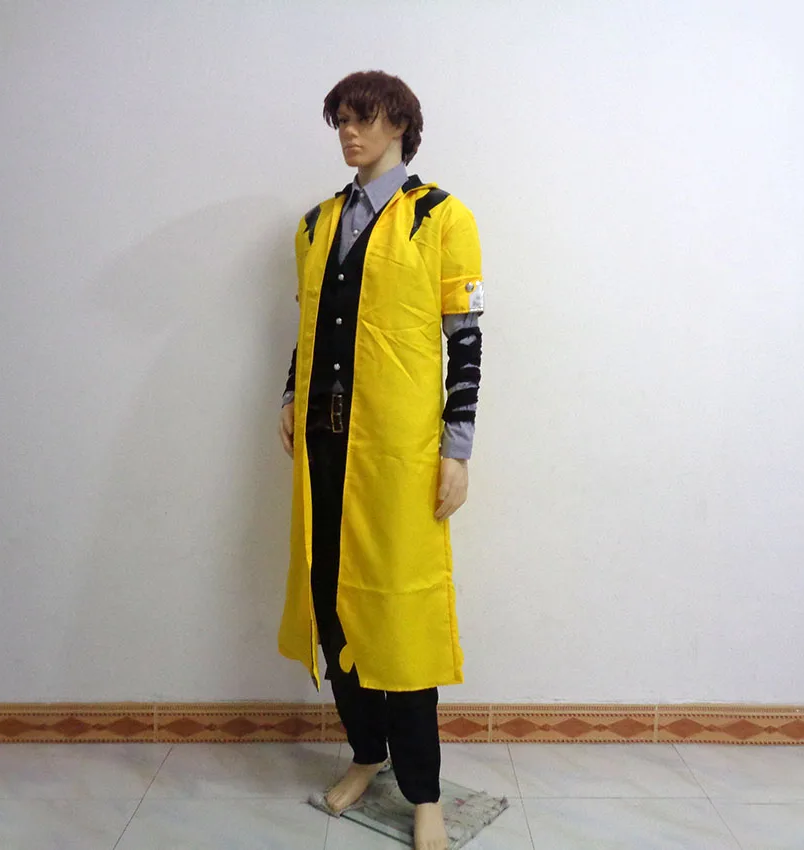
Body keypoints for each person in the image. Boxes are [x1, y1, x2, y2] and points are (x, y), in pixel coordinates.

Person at [277, 70, 484, 850]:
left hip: (398, 452)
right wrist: (290, 394)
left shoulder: (441, 218)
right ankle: (367, 753)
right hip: (323, 447)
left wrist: (456, 449)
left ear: (400, 123)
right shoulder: (316, 224)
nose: (348, 132)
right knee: (332, 605)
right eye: (340, 120)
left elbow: (466, 340)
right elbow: (309, 324)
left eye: (362, 118)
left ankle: (423, 791)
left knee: (399, 615)